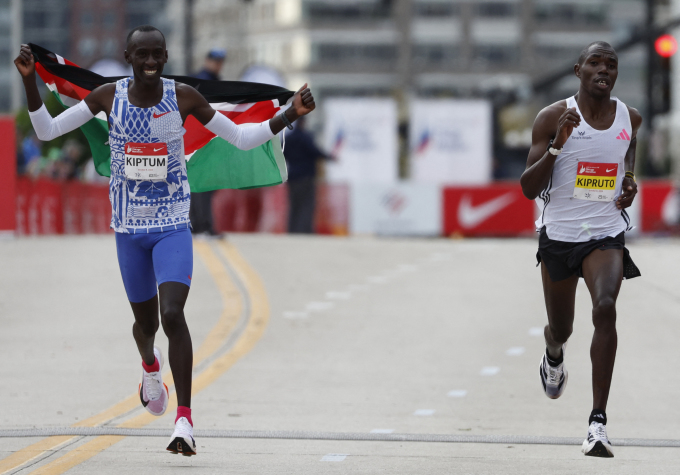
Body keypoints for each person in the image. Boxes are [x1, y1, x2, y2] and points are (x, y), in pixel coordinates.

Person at [14, 25, 315, 456]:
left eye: (157, 54)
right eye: (142, 55)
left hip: (173, 224)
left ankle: (185, 422)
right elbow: (46, 131)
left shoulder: (185, 98)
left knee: (174, 315)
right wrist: (29, 79)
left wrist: (290, 115)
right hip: (129, 232)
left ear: (166, 57)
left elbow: (243, 138)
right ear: (128, 57)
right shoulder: (106, 96)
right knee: (146, 326)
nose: (150, 61)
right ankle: (150, 366)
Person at [520, 41, 641, 458]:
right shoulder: (552, 117)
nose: (603, 69)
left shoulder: (629, 117)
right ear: (578, 70)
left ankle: (597, 423)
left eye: (611, 64)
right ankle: (554, 355)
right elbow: (527, 188)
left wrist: (628, 177)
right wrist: (559, 144)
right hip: (558, 238)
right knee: (562, 328)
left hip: (605, 234)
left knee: (605, 306)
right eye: (595, 63)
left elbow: (628, 146)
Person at [189, 48, 227, 235]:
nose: (218, 65)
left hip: (203, 140)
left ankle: (197, 223)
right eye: (215, 60)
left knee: (201, 184)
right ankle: (201, 224)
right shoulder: (205, 82)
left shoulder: (206, 79)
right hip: (204, 140)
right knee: (204, 184)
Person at [283, 116, 329, 233]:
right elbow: (316, 152)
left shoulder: (288, 138)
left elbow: (282, 153)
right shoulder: (306, 137)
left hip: (292, 176)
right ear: (303, 123)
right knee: (307, 205)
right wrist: (330, 157)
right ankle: (304, 231)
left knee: (294, 205)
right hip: (305, 177)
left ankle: (292, 230)